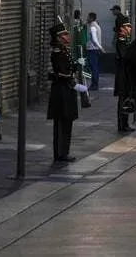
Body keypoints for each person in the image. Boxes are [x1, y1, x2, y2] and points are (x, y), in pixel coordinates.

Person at [48, 22, 87, 163]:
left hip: (67, 90)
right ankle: (60, 153)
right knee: (61, 124)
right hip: (61, 91)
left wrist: (77, 65)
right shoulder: (58, 52)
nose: (67, 36)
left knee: (67, 122)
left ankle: (64, 151)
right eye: (64, 34)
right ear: (58, 38)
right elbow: (61, 73)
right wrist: (74, 84)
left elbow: (69, 68)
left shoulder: (64, 50)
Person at [113, 15, 134, 132]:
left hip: (126, 75)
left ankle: (125, 123)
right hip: (123, 75)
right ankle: (122, 124)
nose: (130, 29)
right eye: (127, 27)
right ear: (121, 29)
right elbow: (125, 57)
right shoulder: (121, 42)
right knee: (123, 99)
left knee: (126, 98)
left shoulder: (125, 41)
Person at [85, 12, 103, 90]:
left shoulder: (93, 27)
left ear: (91, 18)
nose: (87, 19)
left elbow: (94, 39)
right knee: (94, 67)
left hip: (92, 49)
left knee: (94, 67)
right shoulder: (96, 26)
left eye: (88, 17)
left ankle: (95, 85)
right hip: (94, 49)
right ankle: (94, 84)